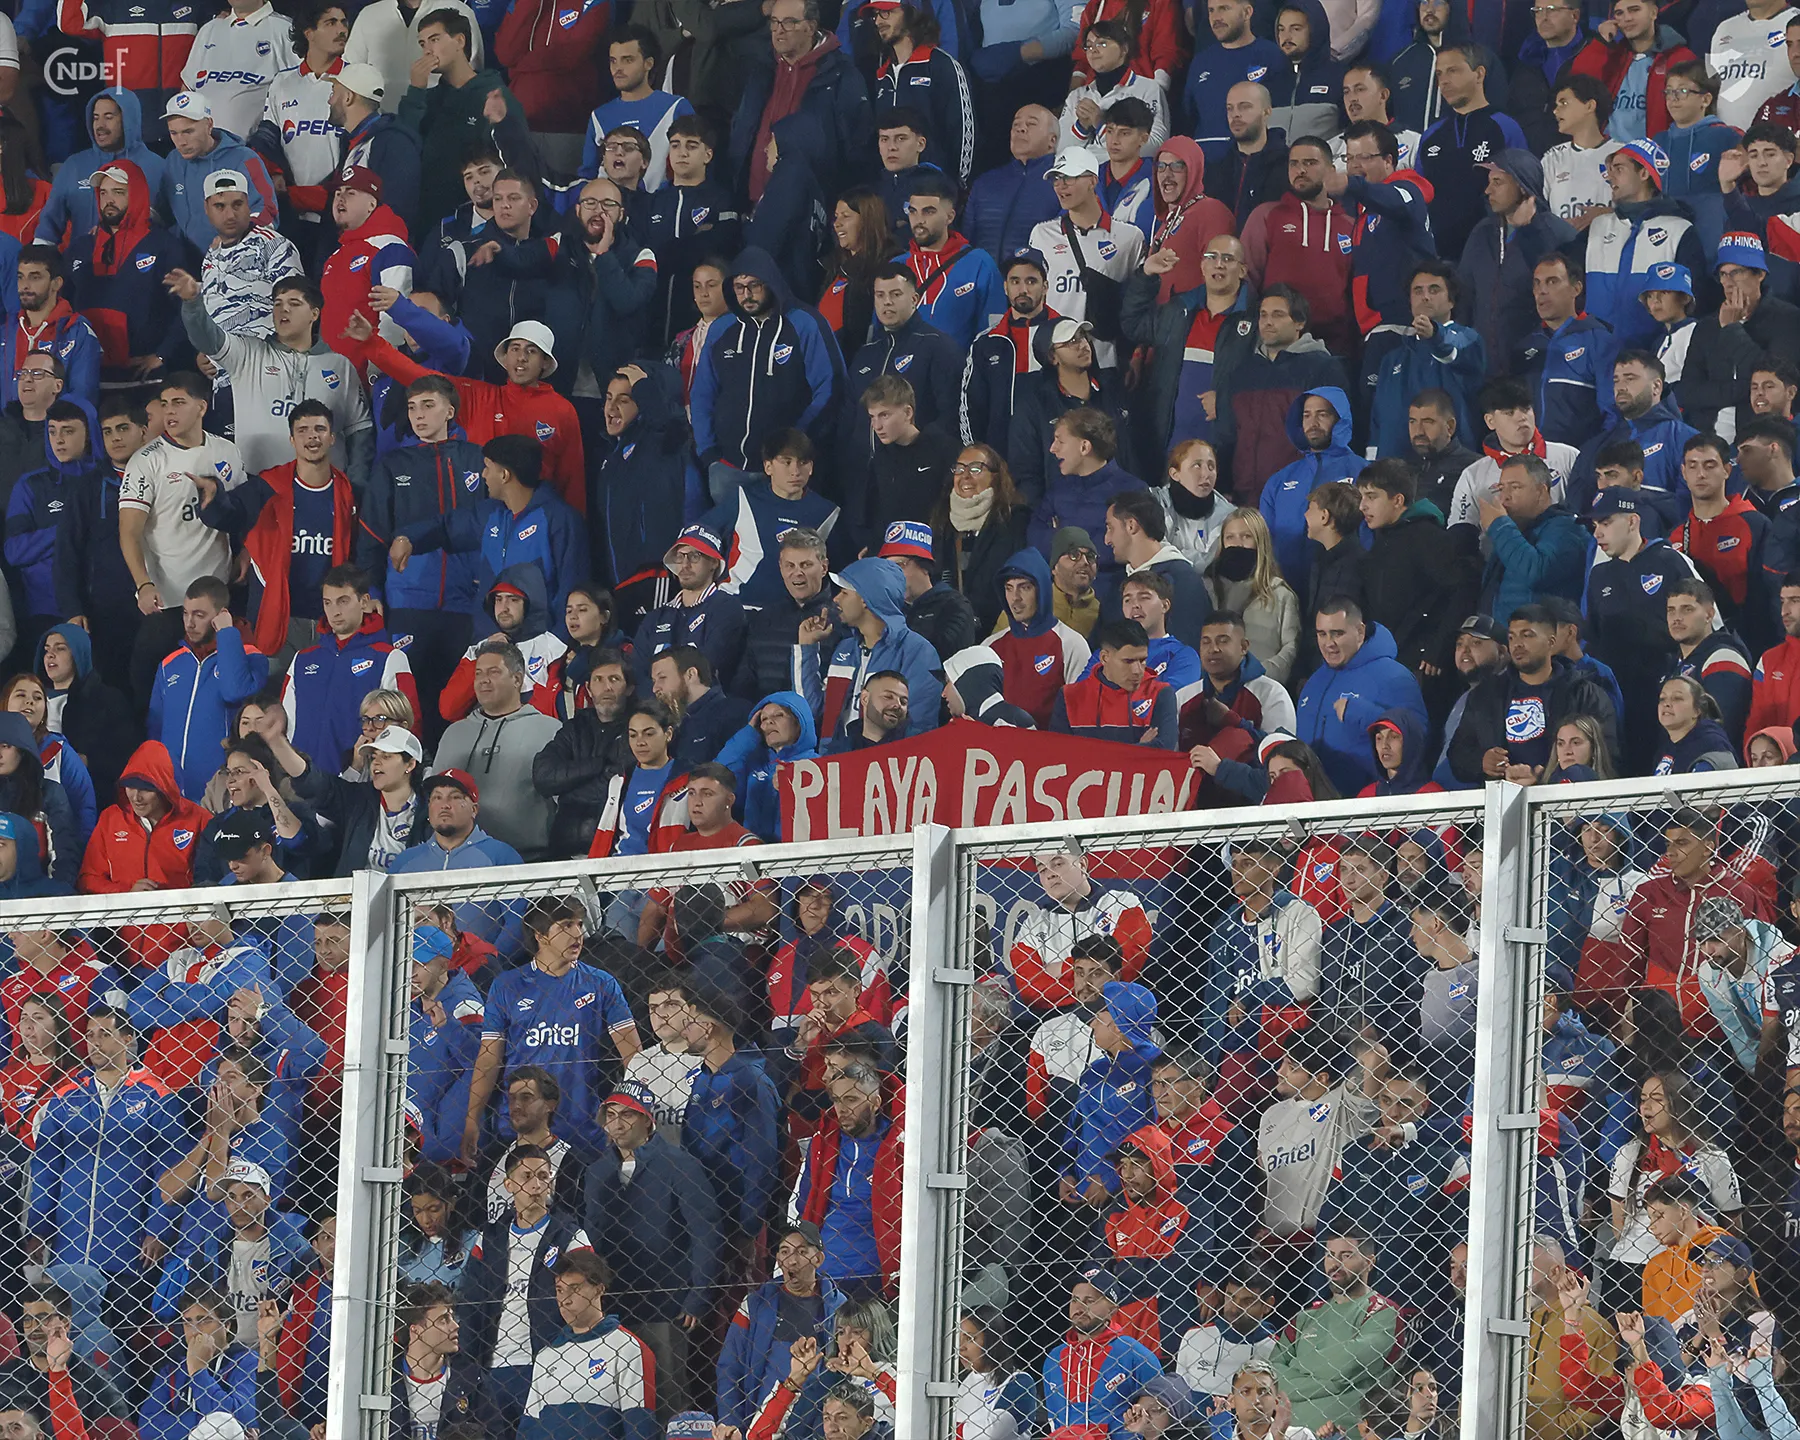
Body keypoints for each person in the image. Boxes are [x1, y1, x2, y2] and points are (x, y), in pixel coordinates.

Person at [579, 1083, 719, 1415]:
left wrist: (698, 1294)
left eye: (627, 1114)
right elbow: (591, 1238)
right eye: (611, 1115)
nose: (617, 1123)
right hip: (611, 1304)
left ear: (647, 1120)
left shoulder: (679, 1165)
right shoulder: (597, 1172)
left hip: (664, 1302)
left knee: (667, 1393)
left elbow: (706, 1231)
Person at [119, 373, 247, 706]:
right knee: (150, 688)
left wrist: (246, 551)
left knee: (219, 690)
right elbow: (129, 531)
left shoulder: (227, 451)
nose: (169, 412)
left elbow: (244, 512)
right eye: (164, 404)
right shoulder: (147, 461)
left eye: (178, 403)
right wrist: (143, 584)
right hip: (168, 600)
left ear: (202, 407)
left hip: (218, 596)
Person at [690, 248, 841, 504]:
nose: (746, 295)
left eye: (754, 285)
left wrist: (795, 445)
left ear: (770, 282)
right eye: (739, 288)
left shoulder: (804, 323)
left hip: (786, 470)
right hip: (727, 469)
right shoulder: (722, 329)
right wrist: (709, 453)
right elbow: (702, 393)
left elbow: (831, 387)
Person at [1586, 487, 1707, 772]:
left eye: (1606, 523)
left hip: (1667, 697)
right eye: (1594, 525)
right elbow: (1593, 638)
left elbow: (1707, 624)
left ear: (1632, 521)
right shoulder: (1599, 575)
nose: (1597, 533)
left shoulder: (1671, 561)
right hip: (1620, 703)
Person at [1451, 605, 1619, 786]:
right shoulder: (1486, 695)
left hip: (1563, 798)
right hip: (1502, 799)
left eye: (1527, 635)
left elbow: (1607, 755)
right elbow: (1458, 753)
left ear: (1551, 642)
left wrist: (1545, 778)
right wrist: (1482, 762)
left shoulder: (1585, 694)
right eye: (1511, 637)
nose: (1517, 644)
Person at [400, 7, 526, 234]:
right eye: (422, 44)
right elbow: (403, 148)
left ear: (460, 41)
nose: (427, 50)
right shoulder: (427, 98)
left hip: (481, 220)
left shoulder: (494, 95)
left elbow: (517, 159)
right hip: (429, 220)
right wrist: (416, 90)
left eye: (434, 39)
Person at [1271, 1230, 1407, 1433]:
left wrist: (1297, 1369)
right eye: (1330, 1255)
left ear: (1369, 1262)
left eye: (1346, 1255)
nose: (1335, 1264)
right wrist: (1336, 1383)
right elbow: (1272, 1376)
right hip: (1290, 1434)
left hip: (1348, 1433)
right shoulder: (1305, 1317)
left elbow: (1346, 1366)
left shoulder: (1383, 1311)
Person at [1294, 597, 1427, 796]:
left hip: (1368, 805)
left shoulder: (1393, 676)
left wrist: (1362, 714)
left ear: (1360, 632)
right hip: (1313, 805)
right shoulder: (1314, 682)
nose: (1328, 643)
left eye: (1338, 633)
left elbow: (1418, 739)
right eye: (1322, 634)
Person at [1027, 148, 1144, 371]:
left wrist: (1138, 352)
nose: (1060, 186)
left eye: (1068, 178)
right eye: (1056, 179)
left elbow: (1139, 303)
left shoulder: (1130, 238)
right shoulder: (1041, 234)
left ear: (1092, 180)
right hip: (1052, 359)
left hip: (1105, 360)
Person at [811, 556, 943, 742]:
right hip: (837, 758)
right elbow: (813, 710)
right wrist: (807, 647)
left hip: (886, 760)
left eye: (844, 593)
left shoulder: (918, 652)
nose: (836, 599)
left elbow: (919, 729)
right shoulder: (845, 648)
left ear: (866, 599)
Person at [1042, 1269, 1164, 1435]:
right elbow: (1053, 1419)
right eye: (1075, 1300)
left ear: (1112, 1310)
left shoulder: (1135, 1354)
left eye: (1090, 1300)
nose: (1079, 1307)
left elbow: (1160, 1411)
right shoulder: (1054, 1358)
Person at [1051, 617, 1178, 748]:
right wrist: (1140, 747)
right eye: (1128, 661)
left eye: (1142, 660)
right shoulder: (1070, 696)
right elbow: (1061, 751)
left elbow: (1163, 750)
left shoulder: (1161, 693)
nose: (1137, 670)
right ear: (1104, 658)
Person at [964, 105, 1062, 262]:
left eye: (1031, 124)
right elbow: (966, 239)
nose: (1020, 129)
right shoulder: (985, 182)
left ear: (1052, 140)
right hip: (983, 275)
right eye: (1016, 124)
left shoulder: (1063, 183)